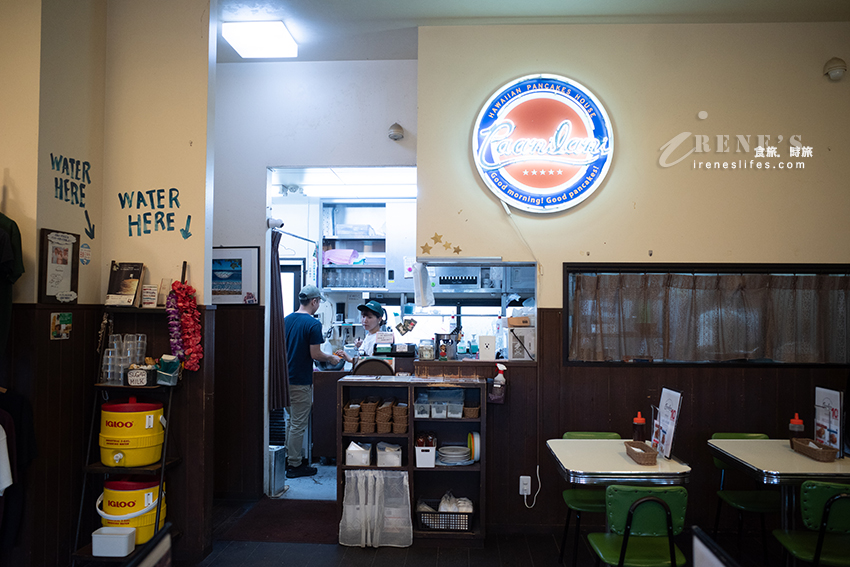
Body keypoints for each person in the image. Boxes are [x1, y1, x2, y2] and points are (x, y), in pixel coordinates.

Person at [284, 284, 341, 478]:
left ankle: (289, 459)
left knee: (292, 422)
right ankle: (294, 465)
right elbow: (315, 353)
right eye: (318, 303)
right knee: (298, 424)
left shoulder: (286, 320)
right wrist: (332, 358)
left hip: (285, 379)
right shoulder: (313, 324)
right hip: (300, 380)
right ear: (314, 301)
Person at [336, 300, 385, 366]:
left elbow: (374, 363)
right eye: (363, 316)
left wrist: (350, 359)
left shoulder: (381, 338)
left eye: (369, 317)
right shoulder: (369, 336)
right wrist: (360, 347)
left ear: (379, 319)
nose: (365, 320)